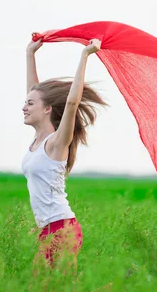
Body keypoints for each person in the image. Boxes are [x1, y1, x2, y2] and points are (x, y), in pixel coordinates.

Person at [21, 34, 107, 270]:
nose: (24, 107)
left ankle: (126, 285)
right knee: (55, 291)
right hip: (48, 228)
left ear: (47, 109)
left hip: (62, 228)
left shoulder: (56, 143)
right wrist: (30, 54)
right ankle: (123, 285)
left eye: (29, 104)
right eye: (25, 102)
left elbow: (71, 103)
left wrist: (85, 55)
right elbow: (35, 91)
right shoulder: (38, 140)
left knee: (47, 290)